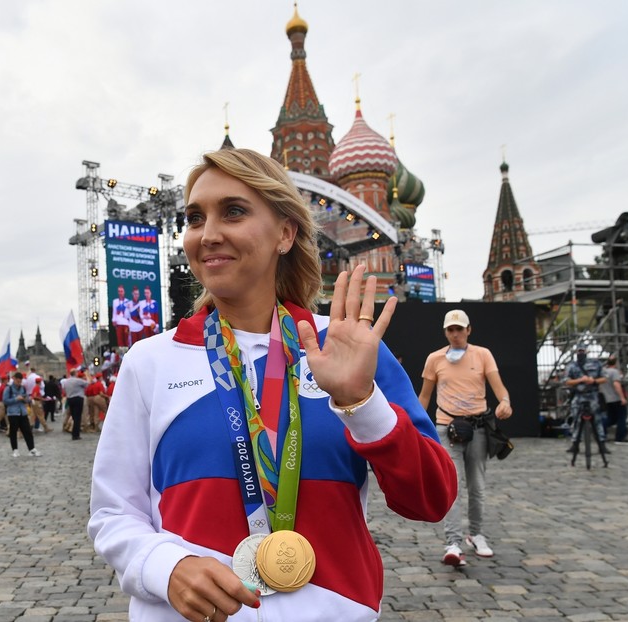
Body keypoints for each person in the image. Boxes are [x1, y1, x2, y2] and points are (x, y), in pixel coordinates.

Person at [88, 148, 456, 622]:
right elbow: (113, 512)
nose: (209, 234)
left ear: (285, 233)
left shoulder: (349, 350)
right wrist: (166, 566)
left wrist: (360, 402)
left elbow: (431, 500)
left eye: (234, 211)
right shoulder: (150, 361)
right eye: (195, 218)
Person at [418, 308, 513, 567]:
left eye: (460, 329)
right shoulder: (435, 359)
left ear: (468, 330)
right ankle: (453, 542)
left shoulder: (482, 355)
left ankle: (476, 533)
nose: (456, 334)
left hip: (478, 427)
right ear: (445, 332)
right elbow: (424, 397)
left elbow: (498, 387)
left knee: (478, 486)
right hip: (447, 428)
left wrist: (505, 401)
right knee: (452, 485)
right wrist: (416, 425)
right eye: (451, 329)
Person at [564, 344, 609, 453]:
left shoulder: (596, 363)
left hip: (592, 395)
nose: (581, 353)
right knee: (576, 420)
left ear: (586, 351)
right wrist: (579, 380)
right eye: (579, 351)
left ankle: (601, 444)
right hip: (579, 395)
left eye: (582, 351)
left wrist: (593, 381)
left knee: (597, 420)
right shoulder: (571, 366)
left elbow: (604, 378)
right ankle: (575, 443)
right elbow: (567, 381)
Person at [3, 371, 41, 458]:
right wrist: (16, 399)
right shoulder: (8, 389)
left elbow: (26, 398)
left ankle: (32, 449)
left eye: (20, 381)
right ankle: (15, 450)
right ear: (14, 379)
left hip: (22, 412)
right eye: (18, 381)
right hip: (13, 413)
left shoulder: (23, 388)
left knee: (27, 431)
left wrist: (27, 399)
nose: (19, 383)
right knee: (13, 432)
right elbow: (5, 401)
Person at [599, 355, 628, 444]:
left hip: (606, 399)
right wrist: (622, 398)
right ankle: (620, 437)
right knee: (621, 418)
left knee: (610, 418)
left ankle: (601, 431)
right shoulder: (615, 372)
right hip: (616, 398)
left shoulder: (603, 372)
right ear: (616, 363)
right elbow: (616, 385)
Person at [62, 368, 88, 440]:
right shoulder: (77, 381)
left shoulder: (66, 381)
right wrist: (87, 374)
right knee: (78, 417)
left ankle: (74, 432)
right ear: (75, 373)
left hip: (70, 399)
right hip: (78, 398)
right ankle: (76, 434)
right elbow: (87, 383)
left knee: (73, 416)